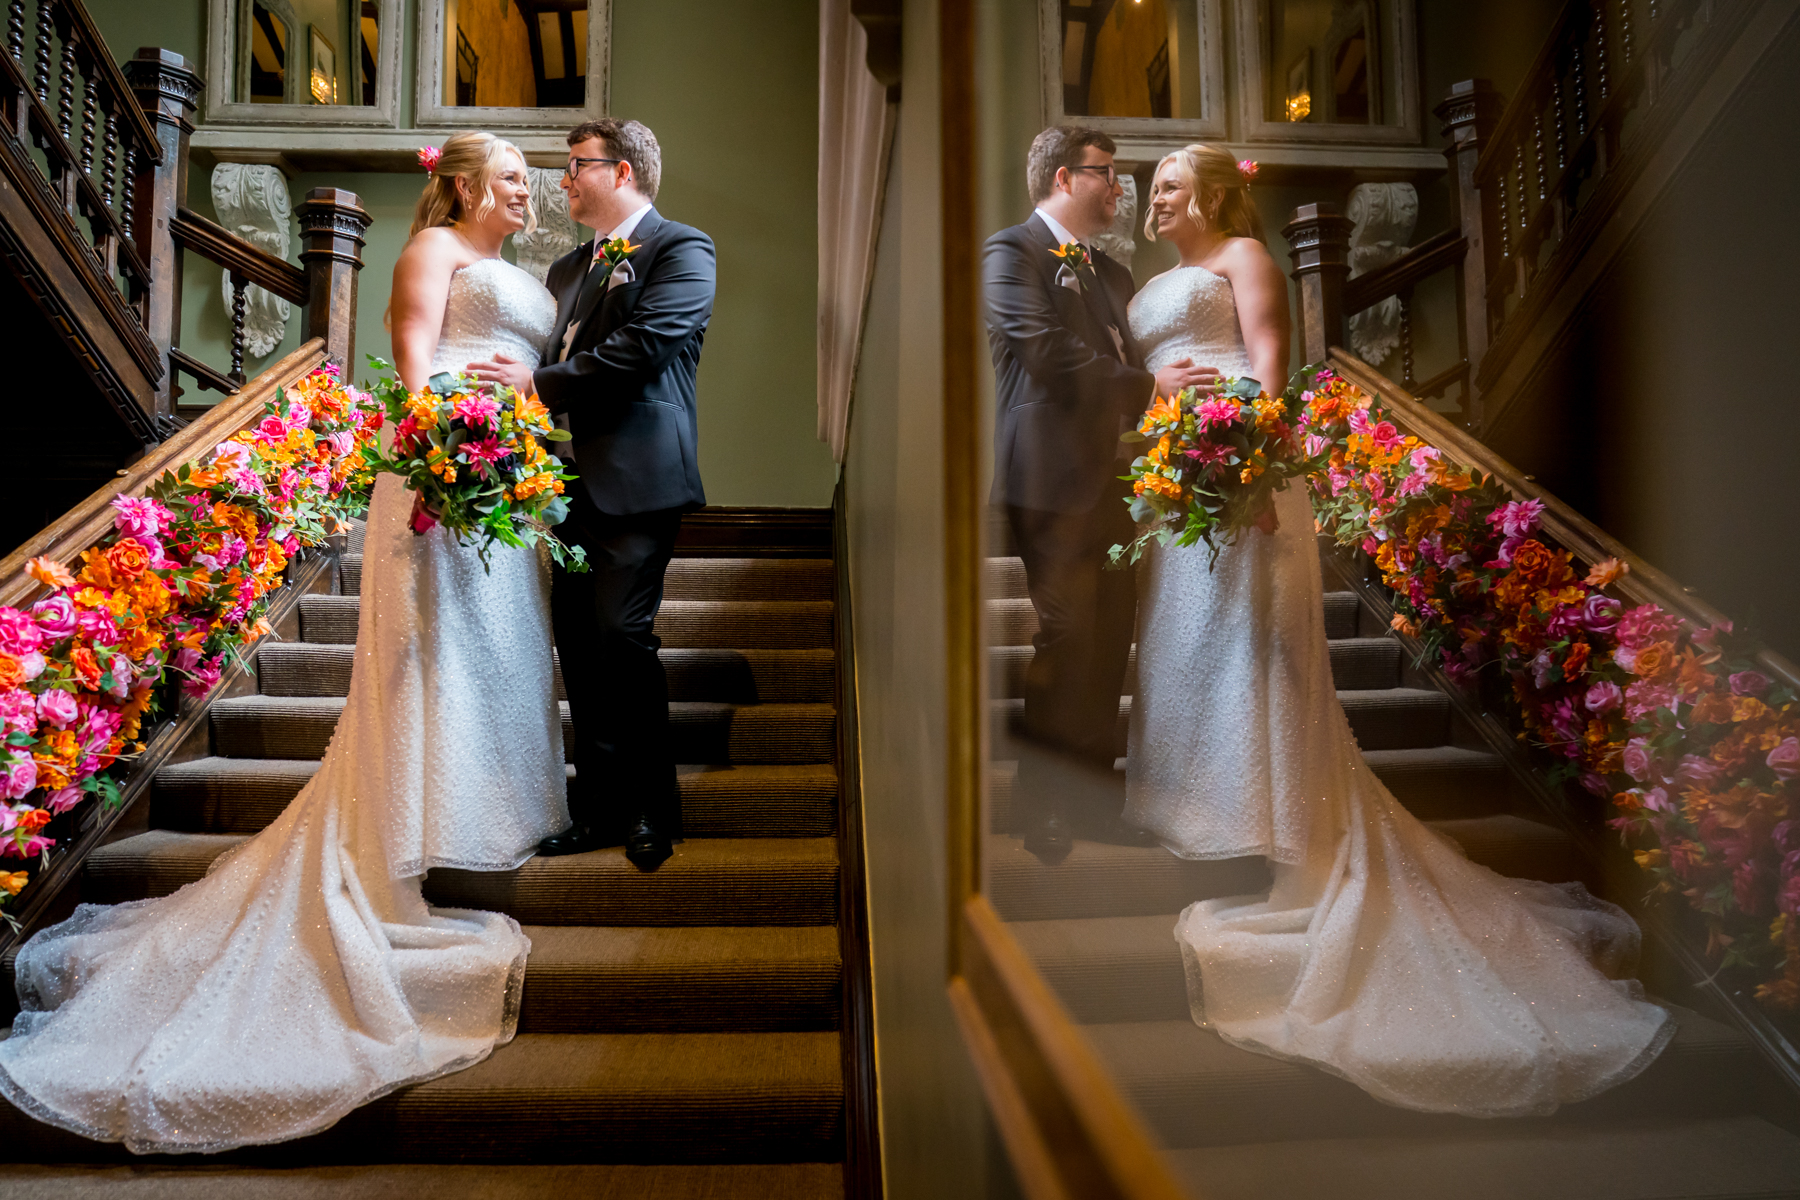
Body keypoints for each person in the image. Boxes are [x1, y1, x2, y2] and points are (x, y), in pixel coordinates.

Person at [0, 131, 570, 1152]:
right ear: (471, 187)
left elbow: (536, 363)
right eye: (515, 179)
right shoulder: (431, 252)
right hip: (446, 467)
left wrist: (521, 411)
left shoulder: (519, 274)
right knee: (434, 652)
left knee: (502, 651)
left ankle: (488, 810)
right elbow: (410, 364)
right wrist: (448, 442)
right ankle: (403, 832)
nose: (529, 191)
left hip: (512, 468)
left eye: (532, 180)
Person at [1124, 142, 1673, 1115]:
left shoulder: (1241, 261)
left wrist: (1247, 463)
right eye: (1150, 187)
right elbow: (1154, 381)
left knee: (1250, 648)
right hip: (1177, 478)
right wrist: (1161, 425)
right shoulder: (1158, 281)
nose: (1154, 196)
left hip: (1240, 474)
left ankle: (1278, 820)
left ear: (1209, 193)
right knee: (1187, 646)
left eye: (1170, 183)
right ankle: (1202, 806)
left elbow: (1265, 367)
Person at [469, 119, 714, 870]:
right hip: (563, 482)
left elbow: (647, 346)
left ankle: (651, 811)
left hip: (639, 478)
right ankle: (600, 808)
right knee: (578, 646)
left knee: (621, 637)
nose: (563, 180)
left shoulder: (683, 249)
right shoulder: (570, 267)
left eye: (577, 166)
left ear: (626, 171)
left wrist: (537, 384)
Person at [983, 126, 1215, 862]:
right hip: (1047, 479)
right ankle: (1043, 805)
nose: (1122, 188)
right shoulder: (1010, 253)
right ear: (1061, 177)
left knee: (1111, 640)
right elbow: (1047, 352)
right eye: (1106, 173)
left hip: (1121, 483)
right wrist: (1148, 389)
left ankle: (1091, 796)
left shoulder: (1114, 278)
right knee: (1067, 634)